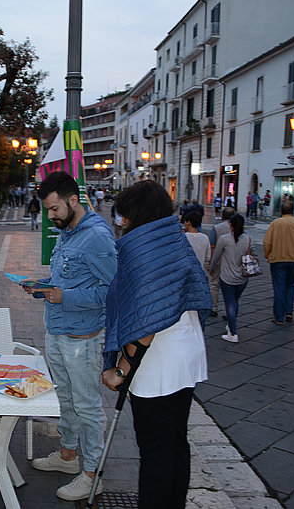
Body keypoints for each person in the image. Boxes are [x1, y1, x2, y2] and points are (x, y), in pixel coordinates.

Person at [101, 180, 210, 509]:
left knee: (155, 455)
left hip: (158, 364)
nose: (121, 223)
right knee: (176, 445)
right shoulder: (174, 240)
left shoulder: (141, 248)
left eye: (123, 216)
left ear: (135, 214)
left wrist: (121, 370)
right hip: (186, 354)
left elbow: (146, 321)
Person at [26, 170, 117, 502]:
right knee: (65, 398)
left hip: (83, 339)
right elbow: (70, 277)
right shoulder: (68, 230)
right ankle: (68, 457)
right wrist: (42, 288)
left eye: (54, 209)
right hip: (58, 331)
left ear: (72, 200)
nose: (50, 216)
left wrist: (65, 296)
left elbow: (112, 292)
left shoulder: (97, 237)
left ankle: (92, 475)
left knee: (88, 406)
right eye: (48, 210)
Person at [210, 214, 252, 342]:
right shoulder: (248, 239)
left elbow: (216, 255)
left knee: (230, 304)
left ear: (231, 225)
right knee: (235, 302)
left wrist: (211, 267)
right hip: (242, 278)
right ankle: (230, 325)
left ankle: (233, 333)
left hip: (227, 276)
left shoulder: (224, 239)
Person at [207, 207, 235, 318]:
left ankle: (213, 308)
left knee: (214, 284)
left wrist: (211, 262)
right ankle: (227, 311)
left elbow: (212, 246)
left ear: (222, 216)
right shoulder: (237, 227)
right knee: (229, 286)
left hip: (219, 260)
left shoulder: (216, 228)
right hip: (232, 260)